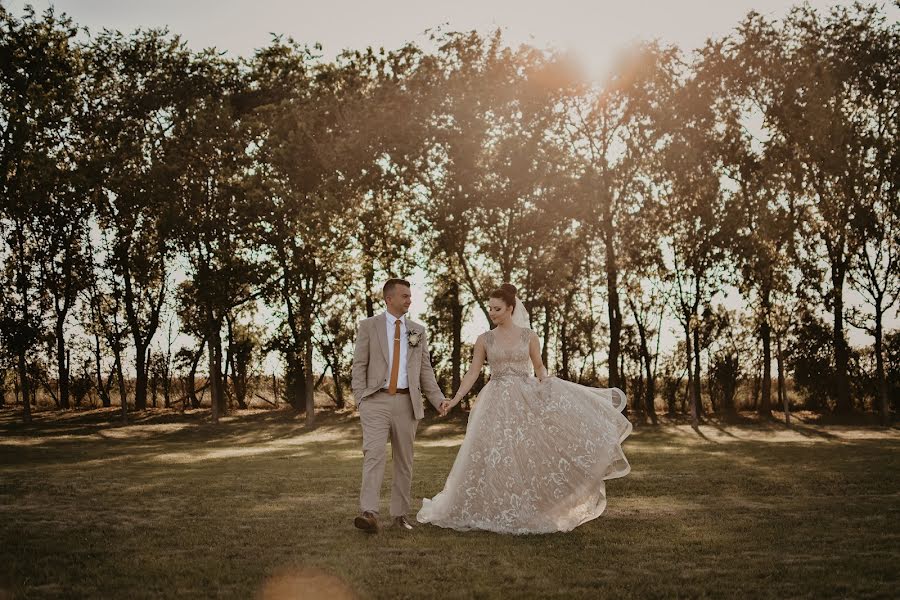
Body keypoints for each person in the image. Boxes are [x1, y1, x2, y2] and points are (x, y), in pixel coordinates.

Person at [417, 283, 632, 534]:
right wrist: (455, 399)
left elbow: (538, 366)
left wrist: (546, 381)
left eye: (497, 308)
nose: (492, 313)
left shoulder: (529, 336)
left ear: (510, 308)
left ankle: (527, 507)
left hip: (524, 398)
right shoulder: (484, 339)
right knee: (493, 452)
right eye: (490, 309)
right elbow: (473, 372)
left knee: (525, 453)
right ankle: (493, 507)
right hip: (494, 400)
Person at [351, 278, 451, 533]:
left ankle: (399, 516)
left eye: (410, 295)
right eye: (405, 295)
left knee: (404, 461)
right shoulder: (368, 326)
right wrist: (360, 399)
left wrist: (438, 399)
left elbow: (425, 371)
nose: (409, 300)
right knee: (373, 455)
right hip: (375, 401)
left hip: (408, 403)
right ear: (389, 299)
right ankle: (369, 513)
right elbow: (359, 365)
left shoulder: (417, 330)